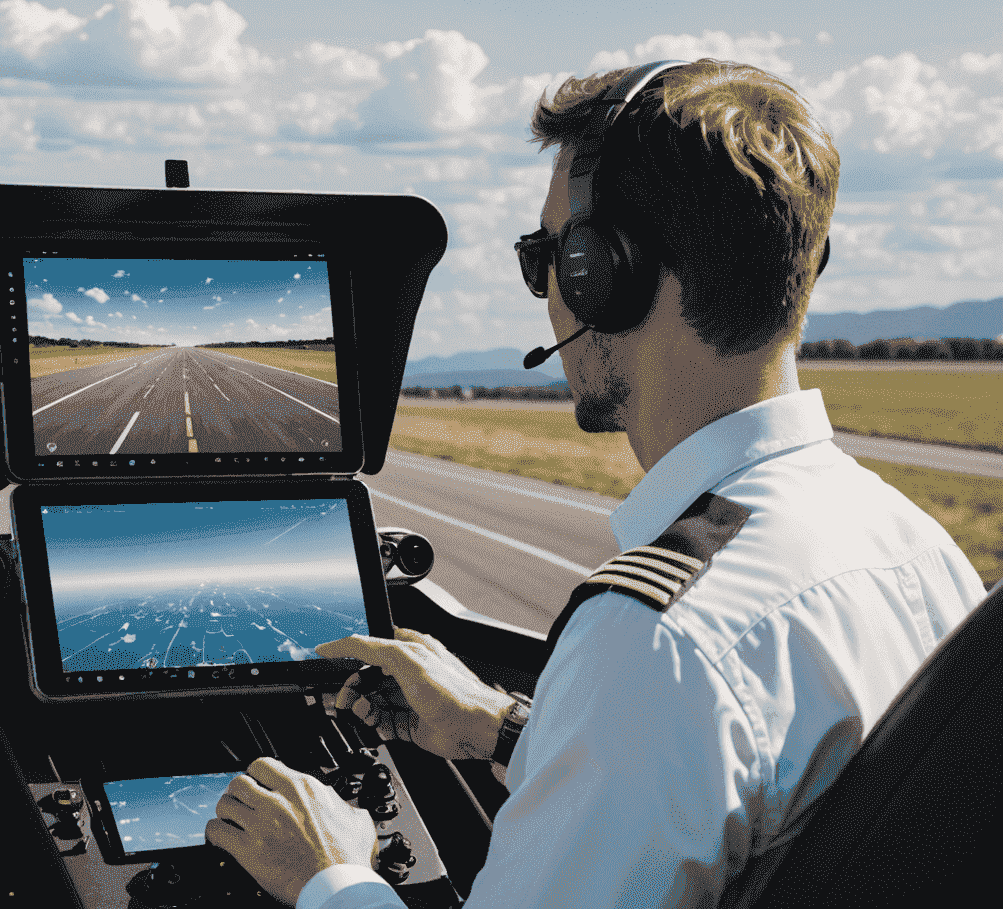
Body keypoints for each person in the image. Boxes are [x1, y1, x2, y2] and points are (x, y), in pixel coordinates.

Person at [205, 59, 986, 908]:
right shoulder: (913, 544)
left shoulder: (660, 642)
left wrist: (330, 873)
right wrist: (506, 732)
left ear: (602, 275)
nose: (546, 288)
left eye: (544, 255)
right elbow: (749, 796)